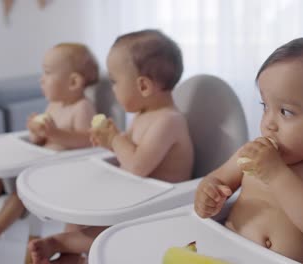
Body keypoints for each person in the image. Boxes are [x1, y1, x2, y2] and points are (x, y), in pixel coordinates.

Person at [194, 36, 303, 264]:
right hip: (229, 254)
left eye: (286, 112)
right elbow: (217, 179)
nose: (268, 123)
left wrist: (276, 174)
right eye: (265, 106)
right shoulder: (253, 153)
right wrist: (208, 194)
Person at [28, 29, 194, 264]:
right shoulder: (145, 114)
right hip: (133, 197)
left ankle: (61, 243)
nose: (112, 89)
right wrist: (109, 143)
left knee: (106, 235)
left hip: (157, 208)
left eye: (115, 81)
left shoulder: (169, 120)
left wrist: (115, 138)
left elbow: (138, 165)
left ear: (143, 86)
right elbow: (128, 152)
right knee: (78, 214)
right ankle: (73, 257)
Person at [0, 43, 99, 253]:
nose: (41, 79)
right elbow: (40, 141)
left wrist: (55, 133)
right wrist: (35, 132)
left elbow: (87, 140)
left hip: (57, 174)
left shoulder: (82, 107)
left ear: (73, 82)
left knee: (20, 193)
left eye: (47, 73)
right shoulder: (54, 106)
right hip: (37, 165)